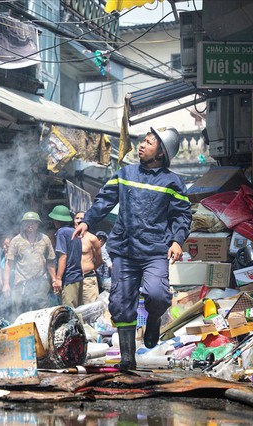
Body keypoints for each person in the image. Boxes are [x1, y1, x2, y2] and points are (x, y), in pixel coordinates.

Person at [72, 126, 191, 370]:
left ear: (161, 153)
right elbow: (105, 199)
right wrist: (88, 221)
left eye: (148, 142)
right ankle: (128, 359)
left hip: (155, 250)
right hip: (125, 250)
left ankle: (155, 318)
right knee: (120, 302)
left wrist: (178, 240)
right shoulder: (125, 173)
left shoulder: (173, 182)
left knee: (158, 295)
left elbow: (182, 215)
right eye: (142, 141)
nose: (142, 145)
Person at [2, 212, 56, 320]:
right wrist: (6, 284)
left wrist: (54, 279)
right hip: (22, 282)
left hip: (40, 281)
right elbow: (9, 264)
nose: (30, 225)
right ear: (23, 224)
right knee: (21, 313)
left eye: (33, 222)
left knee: (42, 312)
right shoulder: (16, 241)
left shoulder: (44, 239)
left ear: (37, 224)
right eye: (27, 222)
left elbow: (50, 261)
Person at [49, 205, 84, 308]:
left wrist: (58, 278)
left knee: (69, 312)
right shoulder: (74, 231)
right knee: (78, 311)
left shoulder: (61, 233)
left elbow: (63, 256)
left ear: (56, 220)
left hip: (69, 278)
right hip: (77, 277)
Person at [73, 211, 103, 305]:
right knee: (72, 310)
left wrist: (89, 269)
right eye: (77, 218)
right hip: (72, 279)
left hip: (87, 280)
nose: (79, 221)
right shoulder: (68, 236)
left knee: (91, 310)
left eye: (82, 219)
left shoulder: (92, 239)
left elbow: (99, 260)